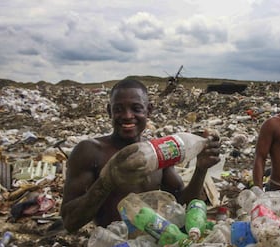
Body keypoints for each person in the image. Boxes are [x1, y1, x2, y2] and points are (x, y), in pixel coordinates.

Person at [61, 77, 221, 233]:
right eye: (118, 109)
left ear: (149, 110)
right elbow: (70, 222)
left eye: (136, 108)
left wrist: (201, 169)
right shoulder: (90, 151)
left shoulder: (156, 153)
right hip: (114, 242)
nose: (127, 116)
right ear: (109, 111)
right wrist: (106, 182)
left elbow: (181, 204)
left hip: (152, 240)